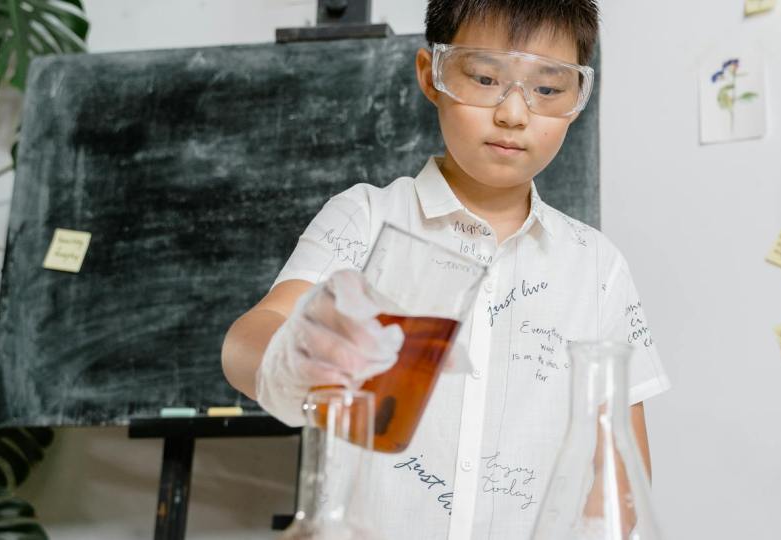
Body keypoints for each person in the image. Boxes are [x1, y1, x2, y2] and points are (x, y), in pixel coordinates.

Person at [221, 1, 670, 537]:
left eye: (548, 88)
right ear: (430, 75)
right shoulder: (366, 219)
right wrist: (295, 353)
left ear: (577, 99)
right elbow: (248, 340)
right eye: (484, 77)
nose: (514, 113)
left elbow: (621, 465)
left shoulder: (596, 264)